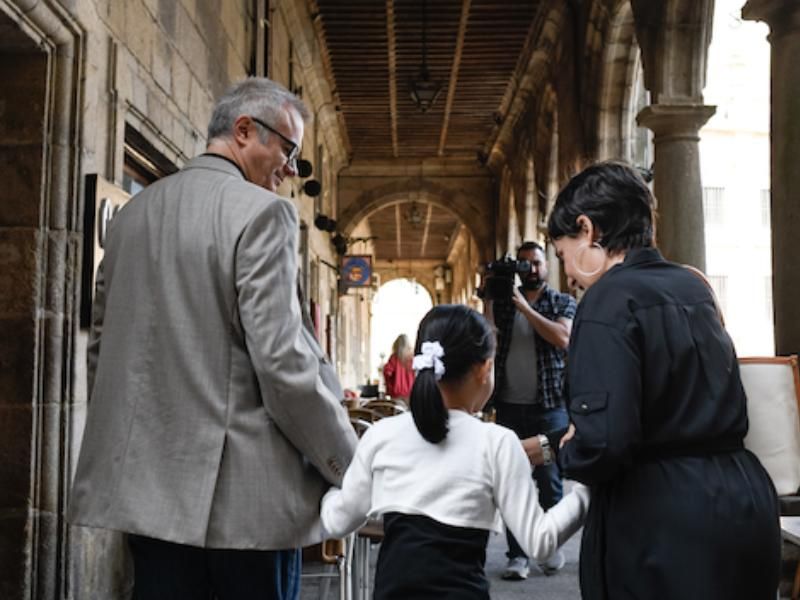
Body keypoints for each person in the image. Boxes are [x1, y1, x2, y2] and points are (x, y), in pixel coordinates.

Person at [68, 78, 358, 600]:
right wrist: (348, 464)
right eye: (288, 150)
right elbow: (285, 369)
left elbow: (103, 351)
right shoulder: (263, 214)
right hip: (245, 512)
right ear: (244, 130)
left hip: (150, 500)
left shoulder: (132, 217)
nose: (291, 169)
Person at [545, 160, 780, 599]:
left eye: (563, 255)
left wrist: (567, 449)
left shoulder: (606, 301)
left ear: (588, 229)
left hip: (662, 523)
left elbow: (604, 443)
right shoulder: (693, 287)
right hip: (743, 503)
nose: (570, 276)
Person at [321, 304, 589, 599]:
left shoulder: (381, 436)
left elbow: (338, 521)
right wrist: (587, 492)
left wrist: (328, 494)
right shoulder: (497, 442)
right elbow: (540, 542)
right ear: (485, 369)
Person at [485, 240, 577, 580]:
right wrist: (490, 294)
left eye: (535, 263)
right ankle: (518, 555)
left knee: (550, 482)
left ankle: (549, 545)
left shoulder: (562, 302)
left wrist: (524, 308)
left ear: (546, 265)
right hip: (510, 406)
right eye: (523, 264)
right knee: (512, 482)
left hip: (550, 406)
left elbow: (563, 338)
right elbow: (487, 336)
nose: (531, 269)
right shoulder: (504, 303)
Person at [382, 333, 415, 400]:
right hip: (411, 392)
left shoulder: (394, 358)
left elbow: (387, 372)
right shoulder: (412, 358)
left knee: (398, 410)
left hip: (396, 394)